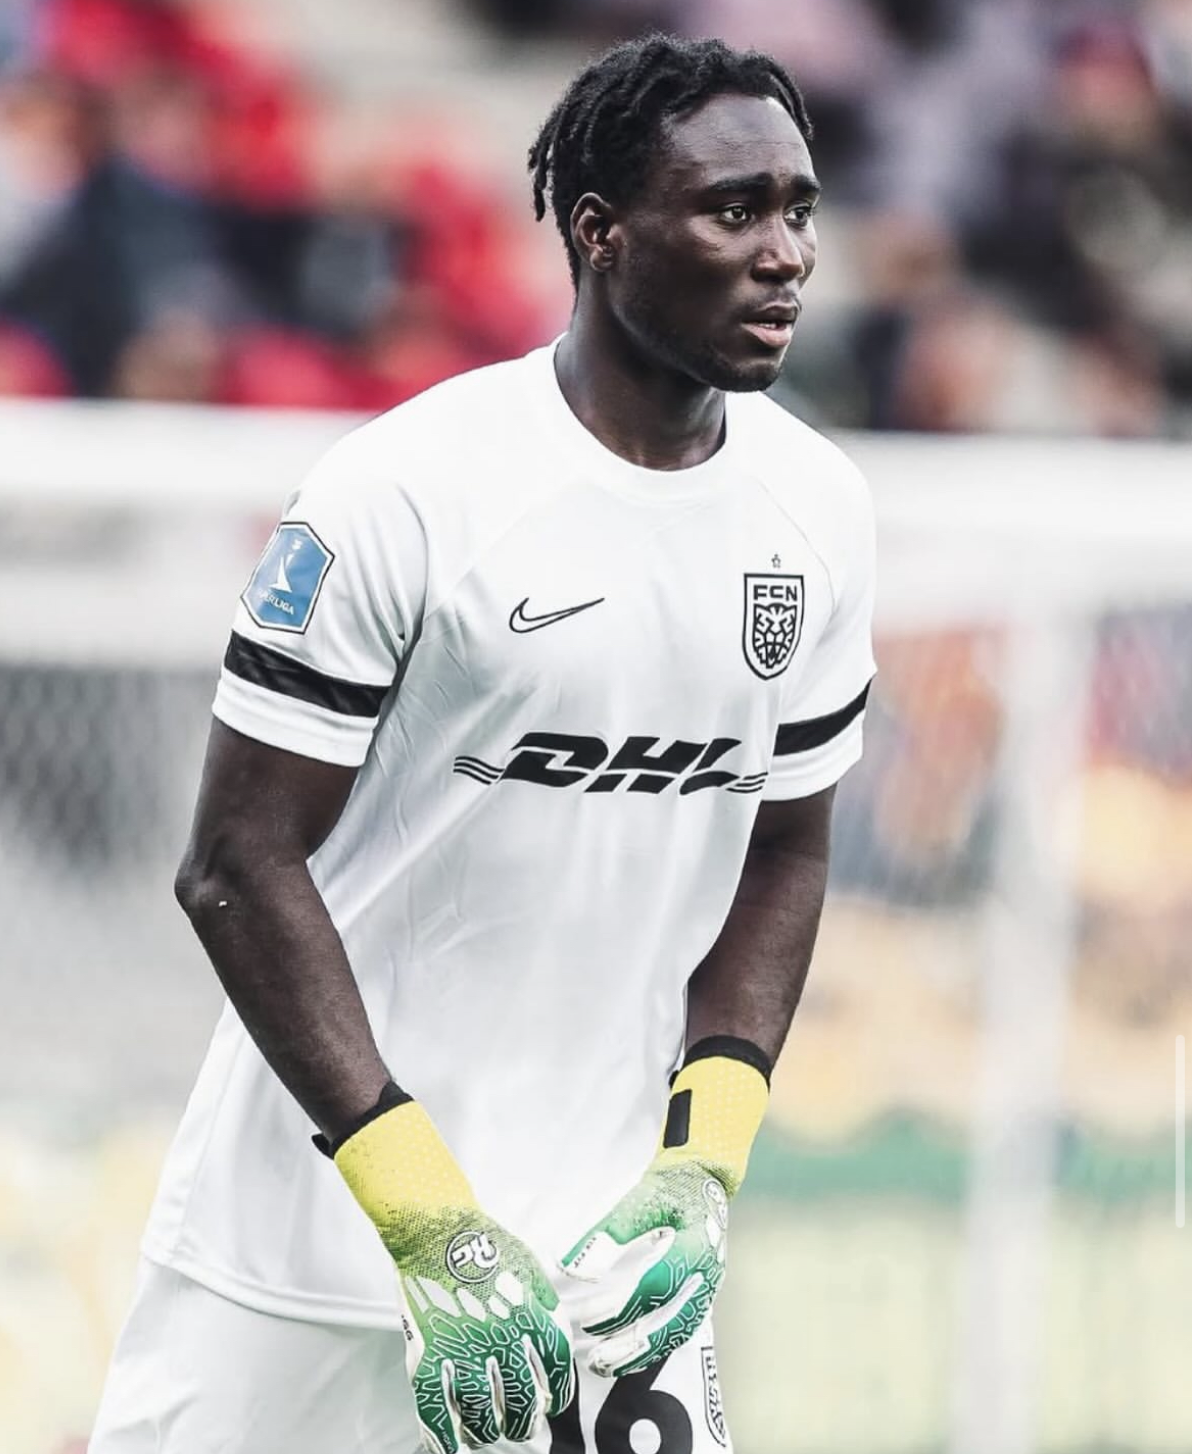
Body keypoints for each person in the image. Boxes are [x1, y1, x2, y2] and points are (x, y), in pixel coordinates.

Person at [89, 32, 875, 1454]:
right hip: (308, 1246)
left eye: (799, 210)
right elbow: (235, 865)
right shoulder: (405, 493)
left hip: (603, 1261)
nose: (786, 256)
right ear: (599, 231)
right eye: (733, 210)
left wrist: (702, 1168)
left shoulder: (816, 511)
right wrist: (428, 1220)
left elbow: (786, 851)